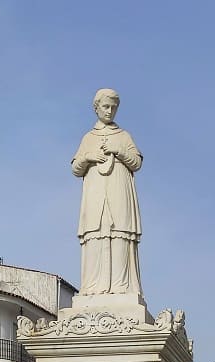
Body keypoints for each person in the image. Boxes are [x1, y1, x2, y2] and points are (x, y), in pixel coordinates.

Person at [71, 88, 142, 297]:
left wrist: (118, 150)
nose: (110, 111)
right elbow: (75, 168)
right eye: (106, 106)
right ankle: (92, 287)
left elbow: (136, 163)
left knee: (120, 234)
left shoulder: (123, 135)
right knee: (94, 236)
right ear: (96, 108)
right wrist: (88, 157)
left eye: (114, 107)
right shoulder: (88, 138)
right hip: (95, 195)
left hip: (119, 192)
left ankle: (122, 287)